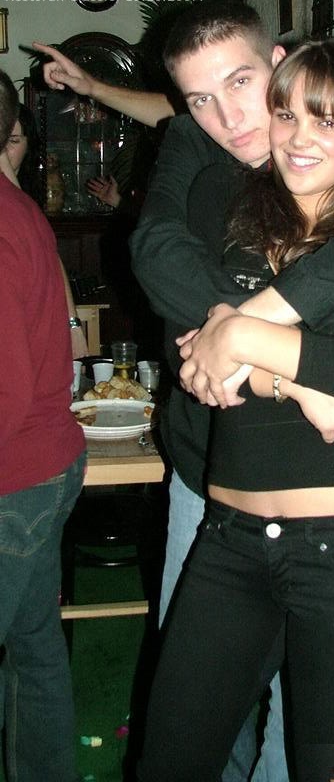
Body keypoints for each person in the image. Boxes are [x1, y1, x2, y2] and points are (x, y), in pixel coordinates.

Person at [35, 3, 334, 781]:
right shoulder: (227, 195)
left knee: (322, 739)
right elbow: (167, 280)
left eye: (244, 86)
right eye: (203, 99)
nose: (241, 122)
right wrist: (294, 375)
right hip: (233, 530)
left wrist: (245, 338)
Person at [0, 69, 86, 782]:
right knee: (34, 649)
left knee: (32, 648)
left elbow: (5, 384)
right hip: (42, 466)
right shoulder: (16, 206)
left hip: (13, 477)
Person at [1, 103, 89, 359]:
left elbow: (50, 255)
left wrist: (72, 324)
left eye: (13, 141)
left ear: (29, 145)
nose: (4, 150)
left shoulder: (27, 191)